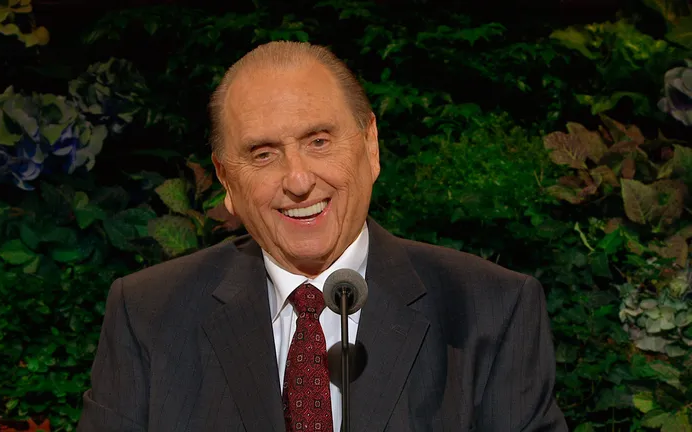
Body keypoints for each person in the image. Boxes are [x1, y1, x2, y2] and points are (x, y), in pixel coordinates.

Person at [77, 41, 568, 432]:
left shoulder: (491, 310)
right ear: (226, 180)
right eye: (263, 154)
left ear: (370, 146)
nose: (297, 180)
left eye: (318, 141)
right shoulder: (148, 314)